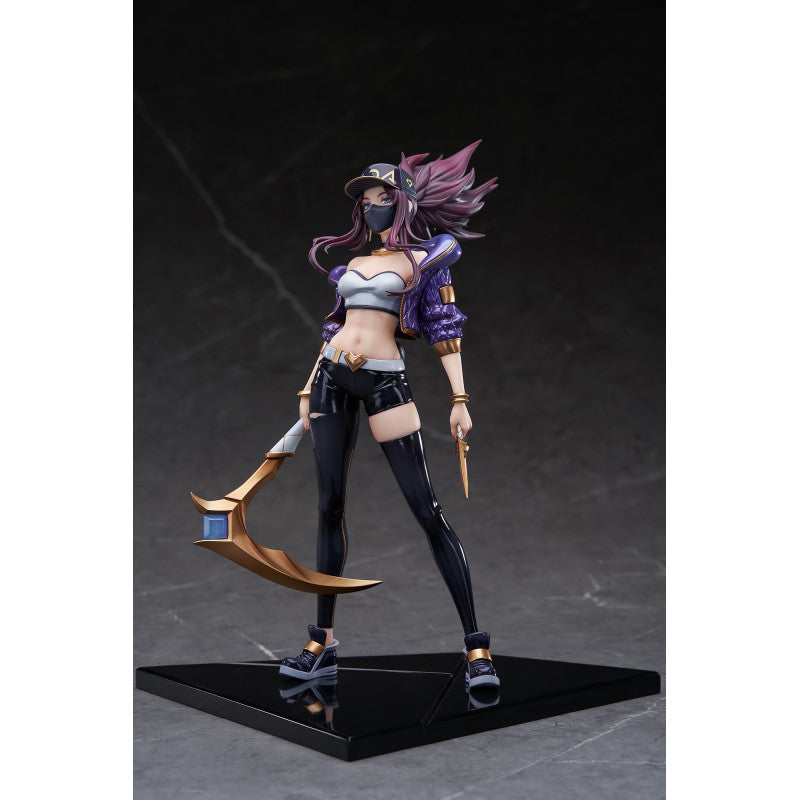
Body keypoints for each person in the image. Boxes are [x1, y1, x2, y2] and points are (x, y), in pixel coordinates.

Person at [279, 142, 500, 689]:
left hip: (384, 382)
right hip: (332, 379)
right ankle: (322, 641)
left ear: (402, 203)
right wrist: (308, 386)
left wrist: (460, 400)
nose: (370, 204)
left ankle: (476, 646)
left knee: (427, 509)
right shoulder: (355, 265)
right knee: (329, 506)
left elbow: (445, 328)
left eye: (381, 196)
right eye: (366, 198)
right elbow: (336, 327)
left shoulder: (425, 262)